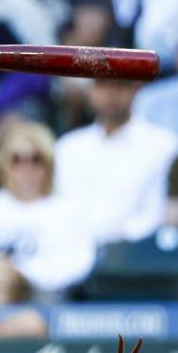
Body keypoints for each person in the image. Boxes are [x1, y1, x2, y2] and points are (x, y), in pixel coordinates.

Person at [0, 120, 96, 303]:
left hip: (44, 308)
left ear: (49, 165)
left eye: (36, 159)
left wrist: (20, 275)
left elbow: (79, 264)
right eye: (17, 160)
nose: (26, 169)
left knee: (5, 279)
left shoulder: (66, 211)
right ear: (4, 165)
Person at [55, 79, 178, 245]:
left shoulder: (165, 146)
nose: (110, 95)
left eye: (120, 85)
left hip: (136, 259)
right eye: (103, 85)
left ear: (135, 89)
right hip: (69, 253)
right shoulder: (67, 148)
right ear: (91, 90)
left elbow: (158, 214)